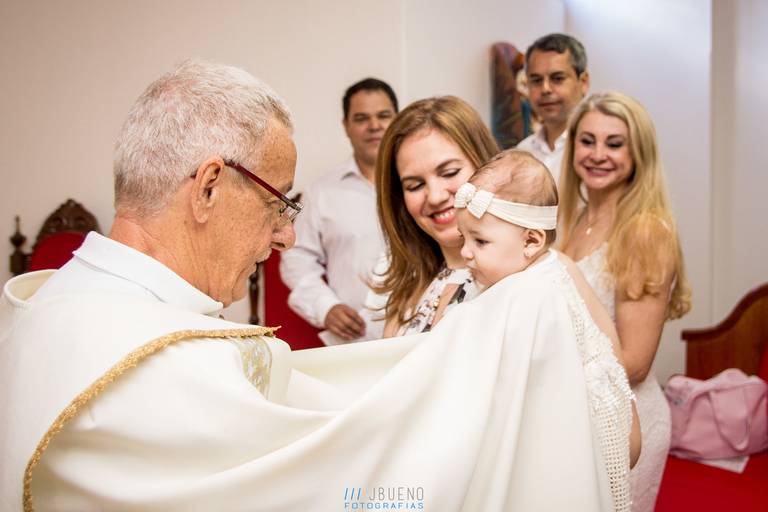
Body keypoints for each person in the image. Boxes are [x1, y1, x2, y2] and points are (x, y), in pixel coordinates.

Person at [1, 61, 615, 511]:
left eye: (450, 173)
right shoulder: (165, 363)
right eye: (279, 204)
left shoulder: (53, 309)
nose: (286, 240)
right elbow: (350, 489)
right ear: (210, 186)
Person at [454, 149, 641, 512]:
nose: (466, 253)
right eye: (463, 238)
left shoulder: (532, 293)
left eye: (480, 241)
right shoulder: (534, 272)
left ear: (530, 241)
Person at [559, 91, 692, 512]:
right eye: (587, 140)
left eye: (615, 143)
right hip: (576, 413)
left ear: (638, 152)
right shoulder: (574, 219)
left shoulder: (644, 231)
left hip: (624, 421)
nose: (598, 154)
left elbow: (634, 361)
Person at [280, 78, 398, 345]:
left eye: (383, 115)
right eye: (361, 118)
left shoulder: (424, 184)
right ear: (346, 125)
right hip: (356, 343)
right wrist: (325, 307)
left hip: (424, 336)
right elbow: (297, 258)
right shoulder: (321, 193)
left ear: (397, 119)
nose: (374, 126)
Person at [372, 96, 500, 336]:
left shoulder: (538, 273)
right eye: (414, 185)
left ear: (484, 164)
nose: (435, 196)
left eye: (449, 172)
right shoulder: (407, 295)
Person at [516, 33, 590, 183]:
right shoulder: (522, 153)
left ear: (583, 82)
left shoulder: (598, 154)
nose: (545, 89)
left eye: (557, 78)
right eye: (536, 80)